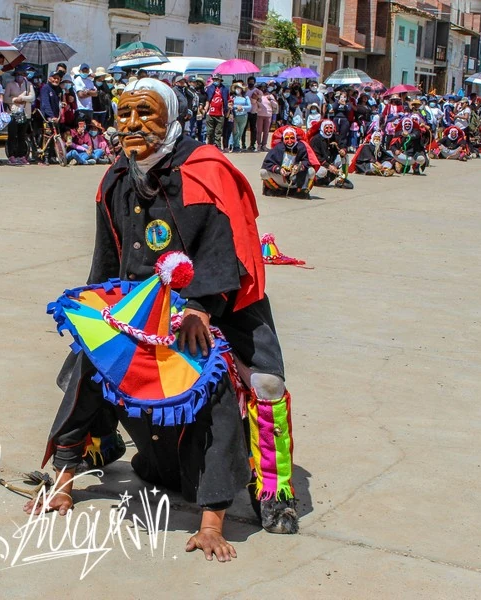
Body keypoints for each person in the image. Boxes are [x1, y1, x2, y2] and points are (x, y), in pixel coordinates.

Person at [27, 79, 299, 561]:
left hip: (217, 303)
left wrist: (198, 307)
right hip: (142, 309)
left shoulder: (207, 171)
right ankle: (74, 464)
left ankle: (272, 491)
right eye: (123, 115)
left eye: (145, 114)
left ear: (171, 117)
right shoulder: (115, 179)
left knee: (262, 382)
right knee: (87, 363)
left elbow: (226, 253)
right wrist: (96, 313)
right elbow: (108, 262)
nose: (132, 126)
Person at [260, 127, 314, 198]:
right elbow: (267, 163)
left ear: (295, 138)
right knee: (263, 172)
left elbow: (306, 161)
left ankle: (302, 191)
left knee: (311, 171)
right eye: (286, 138)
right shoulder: (278, 148)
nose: (289, 141)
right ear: (283, 139)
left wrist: (299, 167)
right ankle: (277, 189)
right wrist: (279, 170)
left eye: (292, 138)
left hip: (297, 179)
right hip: (282, 179)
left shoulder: (301, 147)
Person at [4, 65, 34, 165]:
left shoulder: (28, 84)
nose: (20, 76)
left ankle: (22, 156)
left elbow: (32, 97)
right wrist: (14, 100)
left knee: (22, 136)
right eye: (18, 74)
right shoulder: (10, 85)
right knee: (12, 135)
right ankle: (11, 155)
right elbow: (5, 98)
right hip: (13, 112)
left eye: (22, 74)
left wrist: (22, 99)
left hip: (25, 113)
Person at [310, 119, 353, 189]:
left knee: (345, 158)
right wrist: (329, 166)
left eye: (331, 128)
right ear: (322, 128)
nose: (329, 130)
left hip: (331, 161)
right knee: (322, 171)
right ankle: (316, 181)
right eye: (326, 128)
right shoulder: (316, 139)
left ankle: (341, 179)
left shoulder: (335, 136)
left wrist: (343, 150)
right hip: (319, 164)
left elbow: (342, 144)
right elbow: (316, 156)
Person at [203, 74, 228, 148]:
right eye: (214, 80)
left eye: (217, 80)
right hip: (210, 113)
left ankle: (217, 146)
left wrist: (227, 110)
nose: (215, 81)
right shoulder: (209, 88)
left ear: (220, 80)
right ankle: (210, 146)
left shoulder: (225, 89)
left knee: (218, 132)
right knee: (209, 131)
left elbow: (227, 100)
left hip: (220, 113)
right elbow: (207, 99)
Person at [229, 82, 250, 152]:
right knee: (236, 131)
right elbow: (230, 105)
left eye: (239, 88)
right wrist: (236, 106)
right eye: (236, 88)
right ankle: (236, 145)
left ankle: (235, 144)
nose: (238, 89)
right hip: (234, 116)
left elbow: (249, 107)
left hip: (243, 116)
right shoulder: (232, 97)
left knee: (240, 132)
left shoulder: (246, 97)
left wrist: (242, 107)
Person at [255, 83, 277, 151]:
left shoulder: (270, 96)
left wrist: (271, 100)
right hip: (259, 114)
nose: (263, 89)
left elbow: (275, 105)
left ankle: (264, 145)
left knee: (266, 131)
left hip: (268, 115)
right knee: (259, 130)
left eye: (264, 87)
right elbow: (254, 103)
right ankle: (258, 145)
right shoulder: (258, 96)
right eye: (262, 87)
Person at [246, 75, 259, 151]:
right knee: (244, 129)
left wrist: (256, 97)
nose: (251, 83)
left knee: (253, 128)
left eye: (252, 82)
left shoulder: (257, 91)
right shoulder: (245, 90)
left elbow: (260, 100)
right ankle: (243, 144)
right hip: (246, 112)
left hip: (254, 111)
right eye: (249, 82)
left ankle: (252, 144)